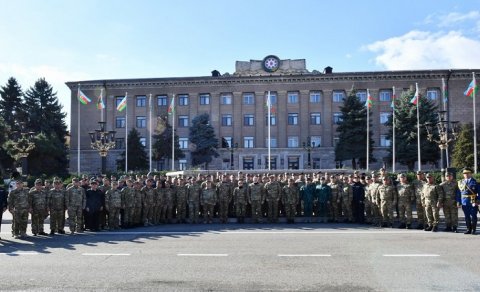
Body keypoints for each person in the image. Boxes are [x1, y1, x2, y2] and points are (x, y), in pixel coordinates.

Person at [457, 168, 479, 234]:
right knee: (466, 216)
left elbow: (479, 192)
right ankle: (468, 229)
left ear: (470, 174)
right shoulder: (460, 182)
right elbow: (458, 193)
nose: (466, 175)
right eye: (464, 173)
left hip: (473, 201)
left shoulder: (475, 182)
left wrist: (478, 201)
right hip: (464, 201)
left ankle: (474, 230)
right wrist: (458, 201)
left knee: (474, 216)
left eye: (467, 173)